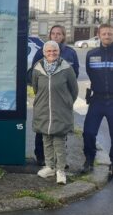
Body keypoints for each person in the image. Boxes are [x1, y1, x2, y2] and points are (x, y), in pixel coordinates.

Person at [31, 25, 79, 166]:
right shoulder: (41, 52)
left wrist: (68, 99)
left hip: (61, 99)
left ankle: (59, 162)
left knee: (60, 132)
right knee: (42, 130)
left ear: (63, 36)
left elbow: (74, 77)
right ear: (50, 35)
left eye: (59, 34)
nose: (56, 36)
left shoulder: (70, 53)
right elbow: (34, 79)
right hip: (45, 99)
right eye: (53, 33)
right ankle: (41, 158)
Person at [81, 24, 113, 174]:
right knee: (88, 132)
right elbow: (89, 72)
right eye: (104, 34)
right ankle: (89, 160)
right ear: (99, 35)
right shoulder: (91, 54)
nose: (107, 36)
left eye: (110, 34)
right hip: (97, 100)